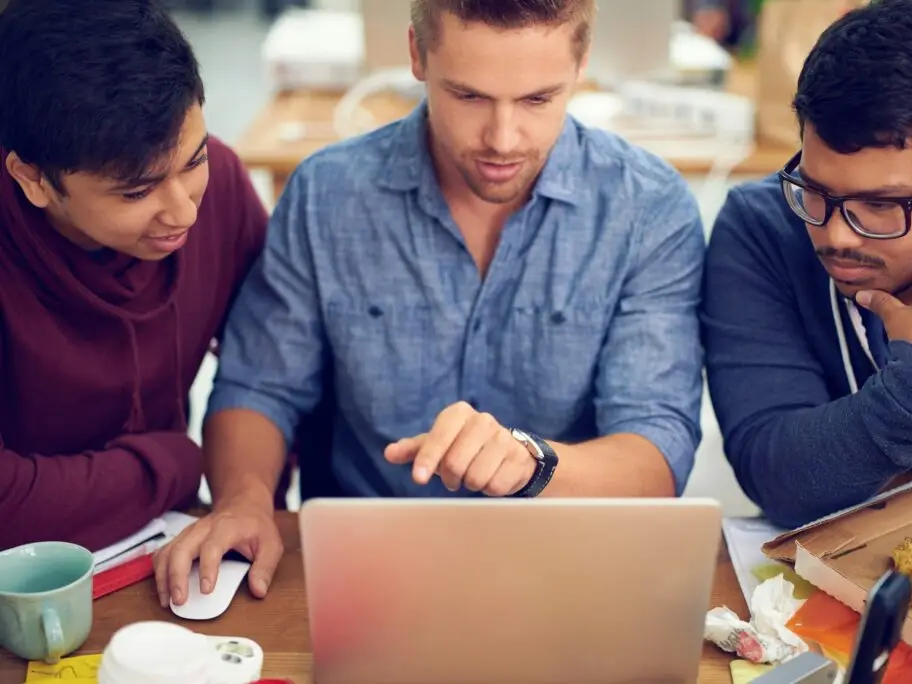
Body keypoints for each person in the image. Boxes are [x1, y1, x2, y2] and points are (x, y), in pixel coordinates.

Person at [154, 0, 707, 607]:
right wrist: (244, 501)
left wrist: (533, 464)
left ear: (582, 64)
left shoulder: (648, 209)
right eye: (468, 96)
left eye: (537, 99)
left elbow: (656, 450)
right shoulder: (325, 195)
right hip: (365, 565)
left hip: (570, 566)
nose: (502, 139)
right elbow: (259, 388)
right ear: (417, 56)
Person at [701, 0, 912, 529]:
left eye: (881, 205)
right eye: (815, 189)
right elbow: (778, 477)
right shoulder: (761, 227)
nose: (834, 234)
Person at [0, 0, 268, 551]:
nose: (185, 213)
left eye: (193, 161)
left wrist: (245, 493)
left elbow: (280, 369)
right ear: (33, 179)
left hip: (169, 542)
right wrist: (174, 462)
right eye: (137, 192)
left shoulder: (222, 192)